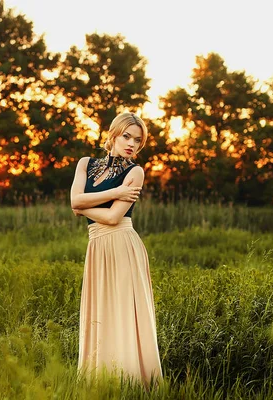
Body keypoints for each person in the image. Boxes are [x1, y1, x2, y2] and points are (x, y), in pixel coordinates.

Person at [69, 112, 163, 388]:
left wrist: (85, 204)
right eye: (126, 136)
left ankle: (132, 382)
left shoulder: (135, 172)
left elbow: (111, 218)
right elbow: (74, 202)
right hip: (96, 246)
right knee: (100, 312)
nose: (131, 144)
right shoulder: (85, 164)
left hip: (122, 244)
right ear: (112, 134)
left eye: (138, 140)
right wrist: (115, 193)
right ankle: (101, 381)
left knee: (123, 312)